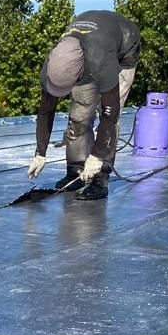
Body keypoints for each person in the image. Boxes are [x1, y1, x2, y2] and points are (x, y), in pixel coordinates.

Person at [28, 10, 142, 200]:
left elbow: (110, 112)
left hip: (124, 45)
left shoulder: (101, 62)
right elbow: (46, 110)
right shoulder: (54, 62)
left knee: (110, 117)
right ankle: (76, 171)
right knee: (79, 115)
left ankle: (100, 179)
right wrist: (40, 153)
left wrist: (97, 156)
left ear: (79, 75)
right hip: (90, 46)